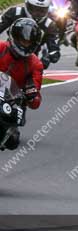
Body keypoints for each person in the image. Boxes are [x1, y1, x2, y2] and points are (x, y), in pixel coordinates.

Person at [0, 18, 44, 150]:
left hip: (12, 101)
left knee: (12, 142)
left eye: (28, 41)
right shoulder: (1, 48)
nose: (24, 44)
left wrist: (32, 94)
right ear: (13, 37)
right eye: (22, 40)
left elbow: (35, 102)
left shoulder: (35, 64)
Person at [0, 0, 60, 70]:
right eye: (35, 9)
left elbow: (53, 46)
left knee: (34, 78)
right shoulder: (15, 12)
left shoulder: (49, 25)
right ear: (27, 5)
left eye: (41, 10)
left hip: (30, 60)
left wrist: (49, 56)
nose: (38, 13)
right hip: (8, 52)